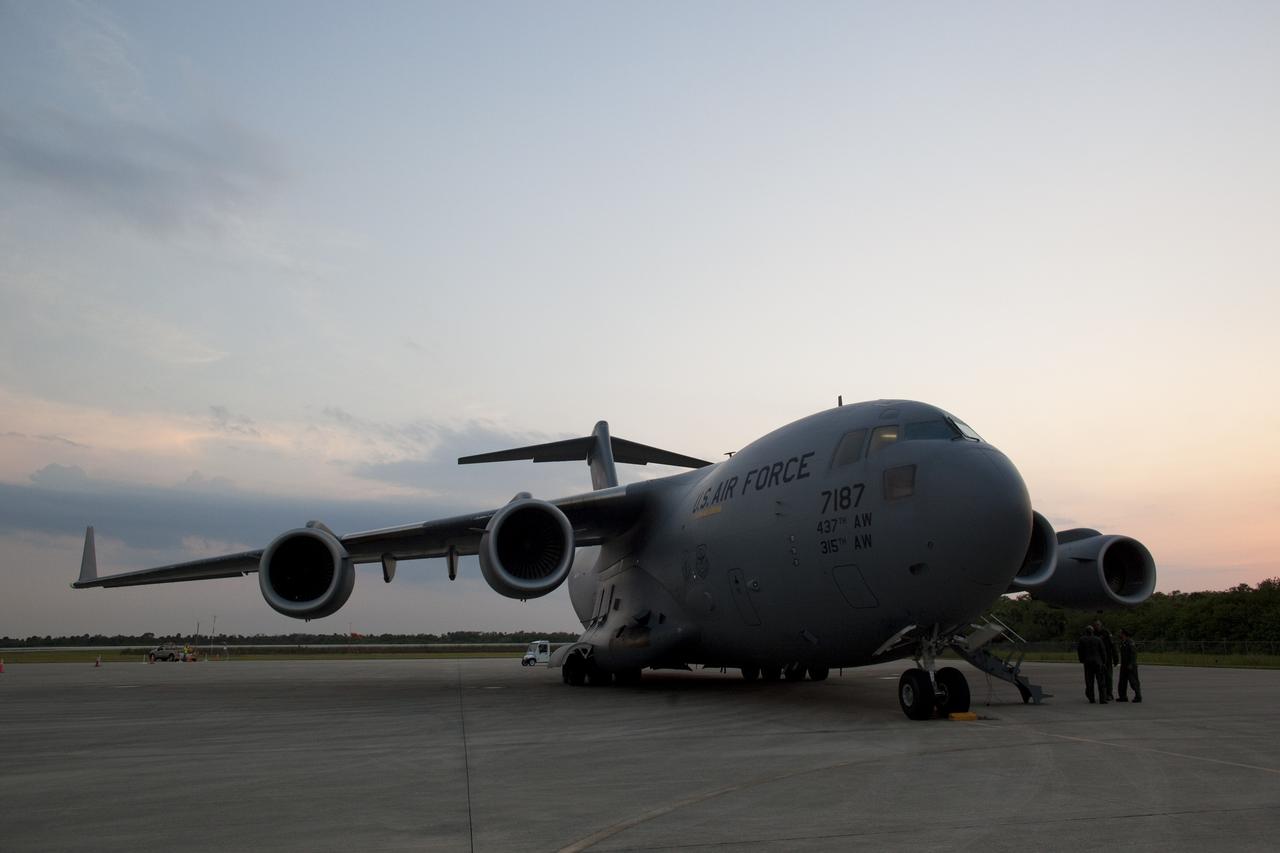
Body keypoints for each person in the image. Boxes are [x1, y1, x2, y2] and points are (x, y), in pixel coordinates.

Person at [1076, 625, 1107, 703]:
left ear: (1086, 632)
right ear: (1093, 631)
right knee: (1101, 681)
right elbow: (1103, 651)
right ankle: (1102, 699)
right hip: (1098, 662)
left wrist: (1082, 660)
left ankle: (1091, 698)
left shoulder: (1082, 639)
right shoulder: (1098, 639)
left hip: (1088, 662)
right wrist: (1104, 661)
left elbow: (1080, 651)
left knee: (1089, 681)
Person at [1116, 628, 1143, 702]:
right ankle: (1123, 696)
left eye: (1120, 633)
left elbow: (1133, 654)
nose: (1119, 634)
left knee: (1133, 681)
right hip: (1124, 665)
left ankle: (1138, 696)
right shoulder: (1123, 642)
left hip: (1130, 665)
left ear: (1124, 634)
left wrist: (1131, 663)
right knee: (1122, 682)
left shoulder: (1130, 642)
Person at [1093, 620, 1117, 701]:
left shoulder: (1106, 632)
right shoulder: (1093, 633)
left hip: (1107, 658)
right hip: (1098, 658)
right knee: (1100, 677)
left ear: (1101, 625)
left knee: (1108, 677)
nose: (1096, 626)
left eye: (1098, 625)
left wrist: (1115, 658)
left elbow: (1112, 645)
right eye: (1095, 625)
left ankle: (1109, 694)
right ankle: (1104, 694)